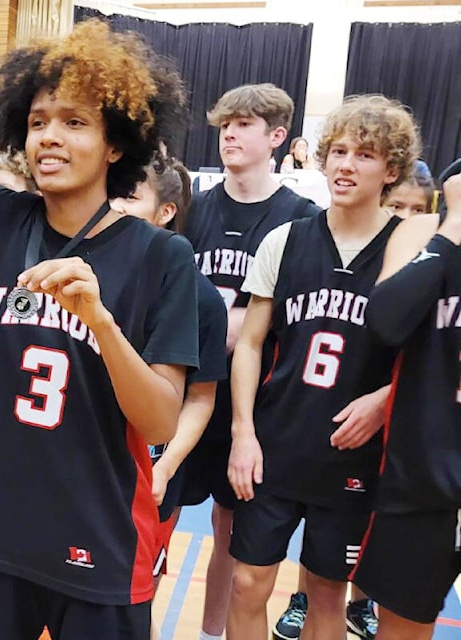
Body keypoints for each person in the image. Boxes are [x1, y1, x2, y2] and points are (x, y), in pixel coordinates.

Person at [0, 20, 198, 640]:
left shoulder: (161, 258)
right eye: (40, 119)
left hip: (97, 534)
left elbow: (159, 422)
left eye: (74, 122)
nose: (49, 136)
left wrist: (99, 321)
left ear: (116, 145)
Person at [225, 95, 421, 640]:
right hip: (276, 443)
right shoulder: (286, 240)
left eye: (364, 155)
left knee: (328, 592)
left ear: (392, 170)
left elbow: (428, 353)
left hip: (353, 453)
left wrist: (385, 401)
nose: (344, 165)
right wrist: (243, 431)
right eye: (338, 151)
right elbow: (249, 344)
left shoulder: (407, 248)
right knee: (247, 582)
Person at [181, 83, 321, 640]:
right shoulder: (192, 207)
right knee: (154, 521)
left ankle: (213, 633)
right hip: (186, 393)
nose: (230, 135)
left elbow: (283, 322)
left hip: (251, 404)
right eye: (224, 125)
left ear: (277, 136)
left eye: (243, 125)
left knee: (230, 530)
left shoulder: (301, 218)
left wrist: (231, 328)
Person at [111, 156, 228, 640]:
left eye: (130, 197)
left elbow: (200, 399)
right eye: (111, 193)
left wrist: (163, 468)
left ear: (165, 212)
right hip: (83, 462)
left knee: (134, 596)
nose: (114, 206)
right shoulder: (91, 272)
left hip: (152, 470)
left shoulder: (201, 299)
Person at [351, 174, 461, 640]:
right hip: (425, 480)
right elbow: (386, 321)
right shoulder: (429, 235)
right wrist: (454, 228)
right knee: (402, 627)